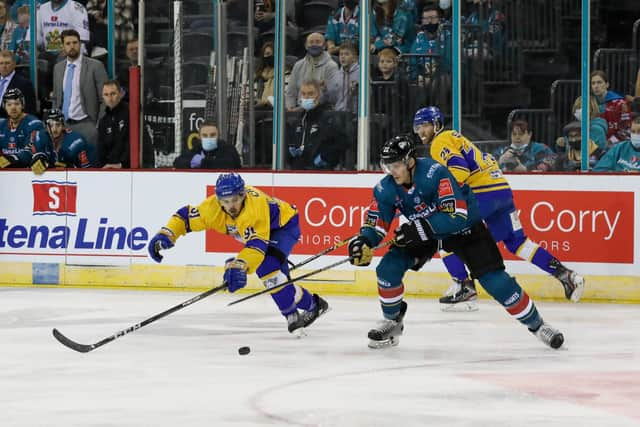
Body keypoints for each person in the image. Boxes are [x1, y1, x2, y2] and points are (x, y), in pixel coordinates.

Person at [348, 135, 565, 350]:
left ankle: (538, 326)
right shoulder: (385, 188)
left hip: (464, 227)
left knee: (495, 282)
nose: (391, 171)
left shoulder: (435, 173)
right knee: (388, 268)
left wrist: (421, 228)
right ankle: (392, 322)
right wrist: (364, 240)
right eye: (388, 166)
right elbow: (377, 220)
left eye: (395, 165)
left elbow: (457, 214)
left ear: (410, 161)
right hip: (427, 229)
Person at [413, 106, 584, 311]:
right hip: (501, 191)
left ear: (436, 125)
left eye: (424, 125)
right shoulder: (455, 138)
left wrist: (443, 197)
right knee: (517, 242)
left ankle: (464, 287)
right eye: (417, 127)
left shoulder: (440, 141)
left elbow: (459, 169)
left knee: (442, 236)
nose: (421, 131)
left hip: (482, 194)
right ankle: (566, 275)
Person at [147, 172, 330, 335]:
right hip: (260, 236)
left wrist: (240, 266)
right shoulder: (211, 209)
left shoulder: (255, 207)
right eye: (225, 202)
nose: (231, 206)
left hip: (283, 227)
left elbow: (257, 245)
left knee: (267, 269)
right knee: (276, 279)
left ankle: (292, 315)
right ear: (218, 200)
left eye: (235, 199)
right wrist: (167, 233)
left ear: (242, 194)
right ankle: (313, 305)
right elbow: (185, 217)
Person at [52, 29, 108, 145]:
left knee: (90, 161)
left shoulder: (95, 66)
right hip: (63, 125)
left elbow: (104, 99)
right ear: (63, 47)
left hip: (87, 124)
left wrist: (97, 125)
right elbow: (57, 98)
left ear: (80, 44)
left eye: (75, 42)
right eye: (68, 43)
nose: (72, 46)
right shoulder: (58, 68)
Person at [286, 79, 347, 170]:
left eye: (310, 94)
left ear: (318, 95)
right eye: (304, 94)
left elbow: (343, 142)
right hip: (299, 171)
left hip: (321, 172)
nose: (306, 97)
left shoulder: (328, 118)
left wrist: (325, 157)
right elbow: (289, 143)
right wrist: (290, 153)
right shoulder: (299, 120)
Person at [29, 108, 96, 174]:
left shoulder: (76, 141)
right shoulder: (39, 137)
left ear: (63, 126)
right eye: (51, 125)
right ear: (45, 127)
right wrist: (37, 159)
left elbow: (88, 171)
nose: (54, 130)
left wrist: (72, 168)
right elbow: (30, 162)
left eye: (58, 125)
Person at [285, 32, 338, 111]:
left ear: (324, 46)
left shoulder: (331, 66)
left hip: (322, 110)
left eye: (318, 42)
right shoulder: (298, 65)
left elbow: (332, 95)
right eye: (311, 42)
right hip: (298, 111)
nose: (314, 45)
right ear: (306, 46)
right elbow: (291, 92)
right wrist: (290, 108)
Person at [0, 88, 44, 168]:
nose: (13, 107)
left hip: (26, 173)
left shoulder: (34, 124)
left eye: (17, 104)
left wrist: (11, 159)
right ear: (4, 107)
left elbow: (31, 151)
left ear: (22, 105)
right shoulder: (1, 124)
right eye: (9, 104)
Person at [593, 101, 640, 172]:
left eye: (639, 132)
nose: (636, 135)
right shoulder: (619, 148)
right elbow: (598, 170)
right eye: (633, 131)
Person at [172, 121, 241, 169]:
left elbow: (229, 163)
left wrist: (202, 162)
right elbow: (178, 162)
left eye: (213, 135)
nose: (209, 138)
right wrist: (190, 163)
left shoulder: (227, 148)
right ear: (199, 137)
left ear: (218, 136)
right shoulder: (197, 149)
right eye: (204, 135)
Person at [590, 70, 631, 144]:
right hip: (593, 146)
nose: (596, 86)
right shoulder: (588, 104)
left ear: (607, 84)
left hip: (615, 146)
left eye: (599, 82)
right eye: (593, 83)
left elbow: (627, 130)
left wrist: (609, 142)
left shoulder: (621, 104)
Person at [97, 80, 129, 168]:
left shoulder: (130, 113)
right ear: (102, 97)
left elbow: (131, 143)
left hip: (129, 169)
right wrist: (103, 167)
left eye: (113, 94)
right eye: (106, 95)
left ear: (120, 94)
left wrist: (122, 164)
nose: (110, 98)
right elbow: (101, 150)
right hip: (110, 169)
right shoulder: (103, 121)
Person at [0, 50, 36, 117]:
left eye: (7, 63)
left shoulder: (24, 84)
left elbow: (29, 111)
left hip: (12, 125)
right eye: (1, 63)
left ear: (14, 64)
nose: (4, 66)